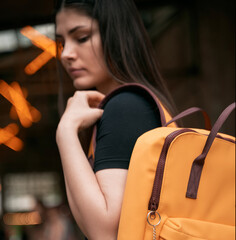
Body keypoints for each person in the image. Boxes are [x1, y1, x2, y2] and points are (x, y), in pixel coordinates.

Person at [55, 0, 175, 239]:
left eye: (81, 37)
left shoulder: (127, 106)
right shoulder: (136, 104)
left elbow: (104, 232)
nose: (66, 54)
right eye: (61, 42)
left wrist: (66, 132)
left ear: (117, 35)